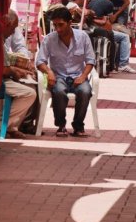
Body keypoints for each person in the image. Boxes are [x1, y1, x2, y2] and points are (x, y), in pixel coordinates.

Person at [36, 7, 96, 138]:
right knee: (58, 91)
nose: (58, 29)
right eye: (55, 25)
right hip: (59, 77)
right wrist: (49, 72)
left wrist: (83, 76)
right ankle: (61, 125)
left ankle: (78, 126)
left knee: (85, 91)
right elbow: (40, 61)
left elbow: (91, 60)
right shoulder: (49, 39)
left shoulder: (83, 37)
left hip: (78, 76)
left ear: (70, 23)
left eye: (61, 25)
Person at [0, 11, 38, 139]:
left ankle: (11, 126)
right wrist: (15, 71)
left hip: (3, 77)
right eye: (12, 29)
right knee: (29, 93)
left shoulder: (1, 38)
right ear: (6, 24)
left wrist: (19, 69)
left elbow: (19, 49)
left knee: (30, 87)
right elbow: (3, 69)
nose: (13, 32)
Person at [89, 0, 136, 74]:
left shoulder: (91, 2)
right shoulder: (108, 3)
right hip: (101, 30)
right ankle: (123, 64)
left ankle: (116, 63)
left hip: (91, 29)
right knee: (125, 37)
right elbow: (111, 19)